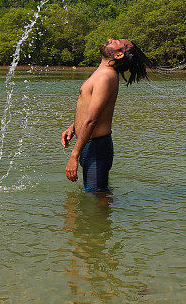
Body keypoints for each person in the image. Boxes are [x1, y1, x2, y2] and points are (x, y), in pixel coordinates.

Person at [61, 38, 153, 193]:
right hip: (89, 144)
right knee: (96, 194)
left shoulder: (105, 77)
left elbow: (92, 120)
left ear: (118, 55)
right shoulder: (101, 73)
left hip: (96, 147)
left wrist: (74, 156)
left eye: (116, 42)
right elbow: (91, 109)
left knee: (98, 199)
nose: (110, 40)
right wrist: (73, 127)